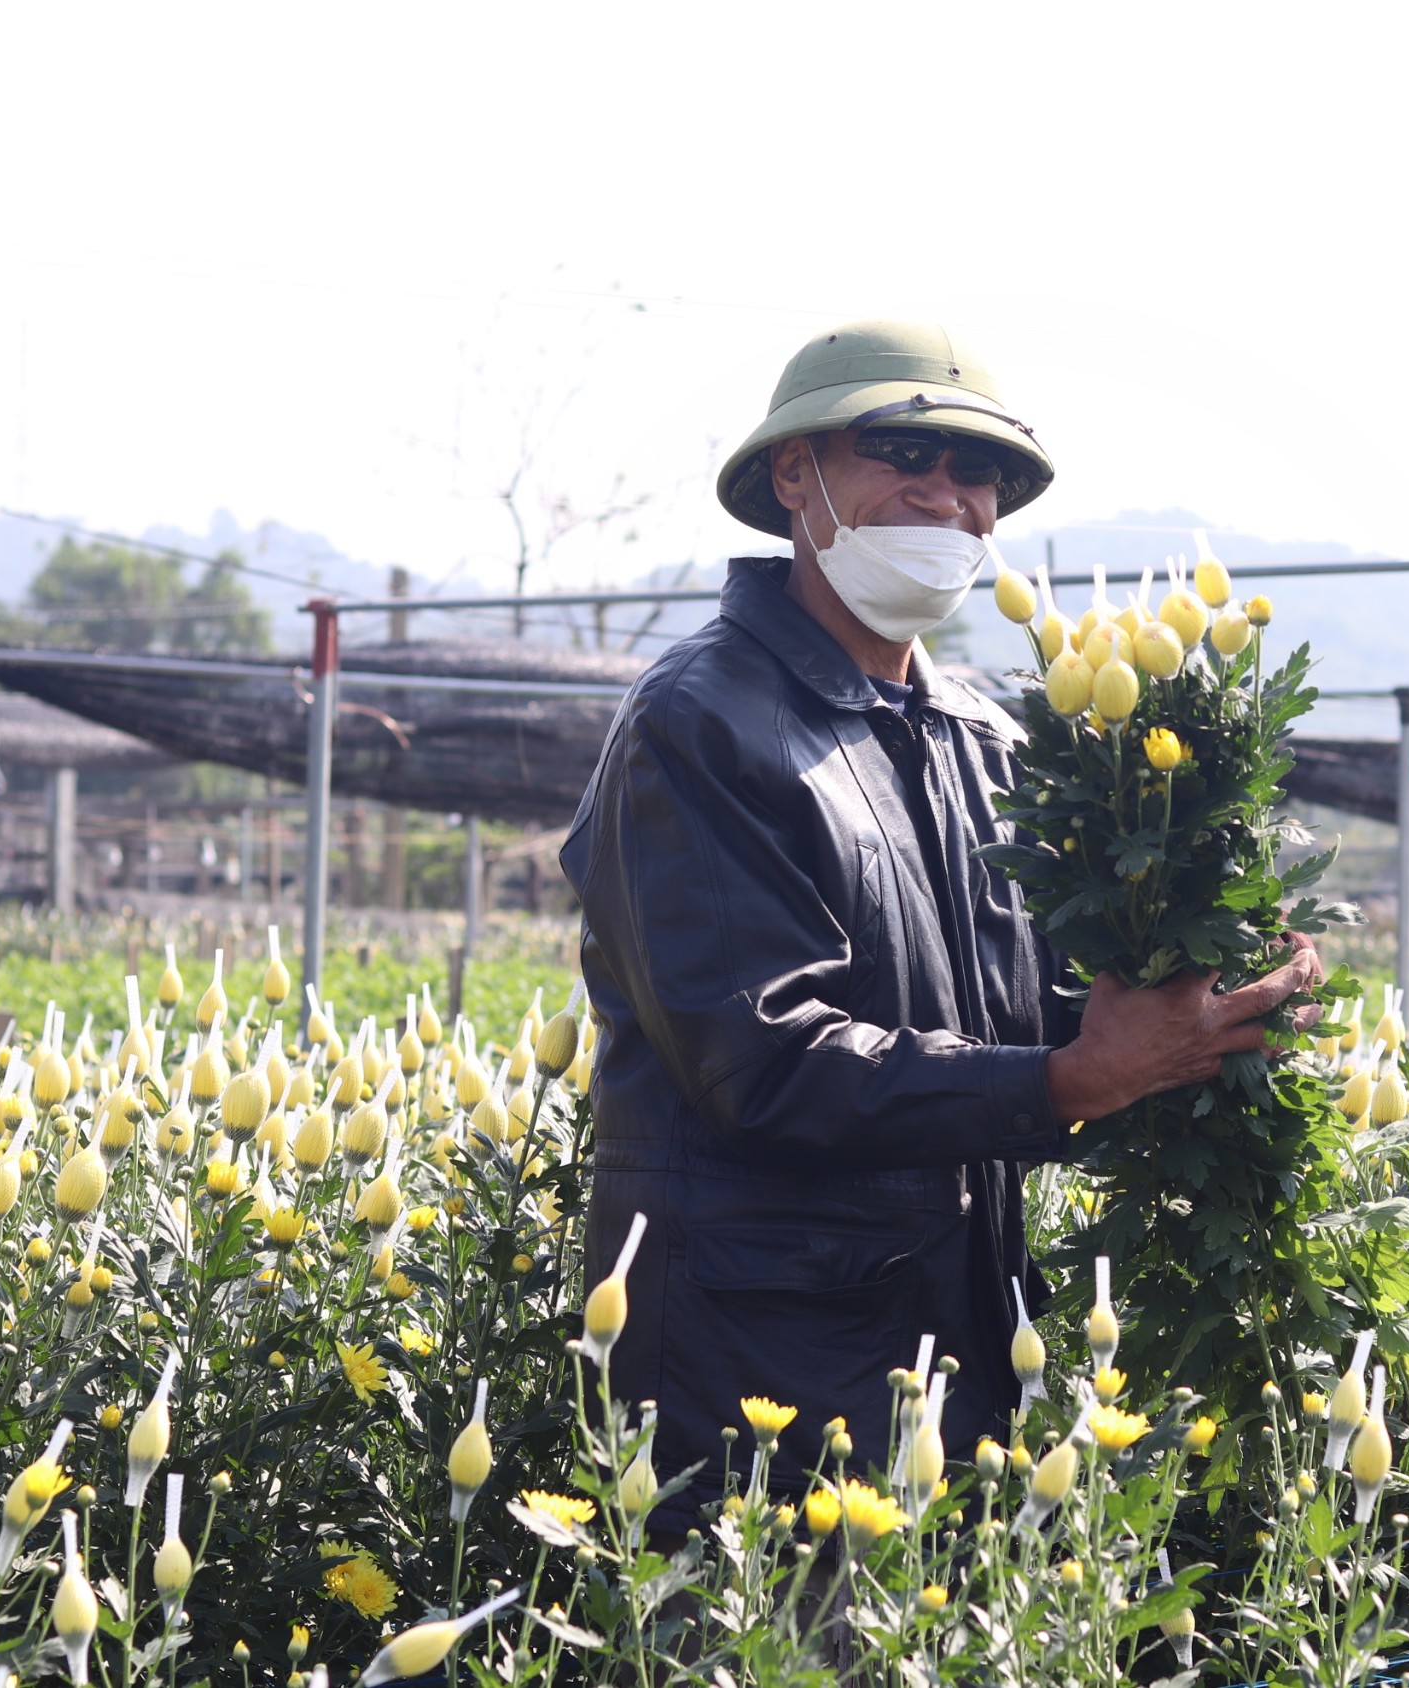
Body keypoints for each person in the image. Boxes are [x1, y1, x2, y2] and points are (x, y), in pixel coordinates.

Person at [560, 317, 1320, 1528]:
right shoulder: (700, 722)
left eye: (981, 471)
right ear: (791, 474)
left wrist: (1200, 1005)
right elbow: (761, 1060)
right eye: (899, 448)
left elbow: (1024, 1019)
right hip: (759, 1365)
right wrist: (1073, 1076)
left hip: (963, 1338)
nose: (948, 494)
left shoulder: (986, 731)